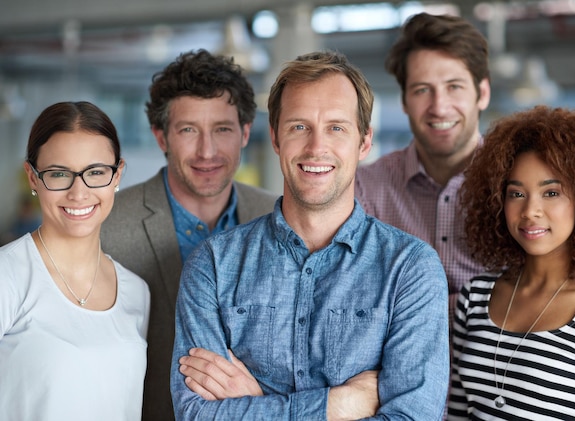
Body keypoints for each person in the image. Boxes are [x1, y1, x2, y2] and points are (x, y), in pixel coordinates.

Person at [170, 50, 450, 420]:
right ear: (275, 138)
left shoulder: (410, 269)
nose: (317, 147)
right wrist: (339, 404)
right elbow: (195, 415)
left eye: (336, 127)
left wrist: (255, 404)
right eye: (299, 127)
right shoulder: (213, 264)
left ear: (364, 142)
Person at [100, 50, 277, 421]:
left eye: (222, 129)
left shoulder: (278, 218)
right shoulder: (105, 226)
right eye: (188, 130)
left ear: (245, 133)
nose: (207, 151)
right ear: (161, 137)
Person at [448, 106, 575, 420]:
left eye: (551, 192)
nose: (530, 210)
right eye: (516, 193)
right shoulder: (475, 296)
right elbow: (458, 411)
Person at [0, 101, 150, 420]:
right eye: (59, 174)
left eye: (95, 172)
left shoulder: (136, 291)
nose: (79, 193)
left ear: (117, 175)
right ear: (32, 177)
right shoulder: (8, 276)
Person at [354, 13, 491, 328]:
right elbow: (356, 301)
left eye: (454, 87)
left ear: (482, 93)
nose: (439, 107)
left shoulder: (519, 187)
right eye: (421, 90)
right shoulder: (365, 188)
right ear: (403, 100)